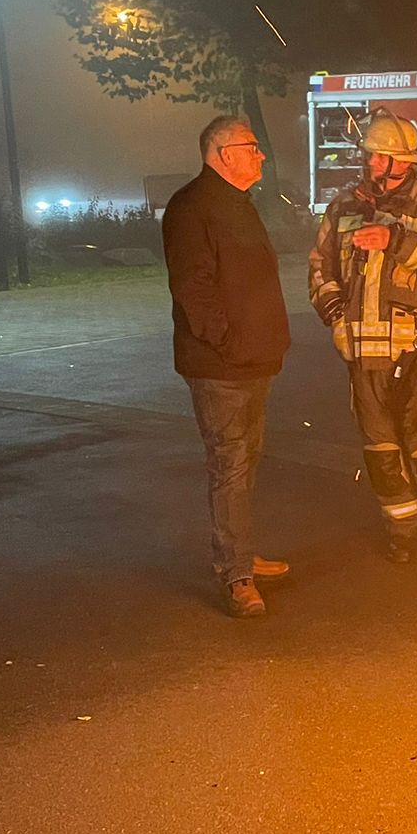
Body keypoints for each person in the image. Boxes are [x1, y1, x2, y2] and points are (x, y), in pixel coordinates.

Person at [308, 111, 417, 566]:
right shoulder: (342, 207)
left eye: (384, 158)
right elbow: (320, 266)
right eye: (371, 156)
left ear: (407, 162)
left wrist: (395, 239)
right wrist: (337, 315)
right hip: (363, 358)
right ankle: (402, 533)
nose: (374, 164)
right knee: (382, 457)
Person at [162, 114, 293, 619]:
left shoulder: (237, 204)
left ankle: (240, 553)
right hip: (222, 365)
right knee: (230, 467)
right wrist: (229, 342)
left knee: (243, 465)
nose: (261, 154)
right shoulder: (193, 207)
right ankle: (237, 575)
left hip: (252, 359)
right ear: (223, 153)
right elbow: (193, 289)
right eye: (252, 146)